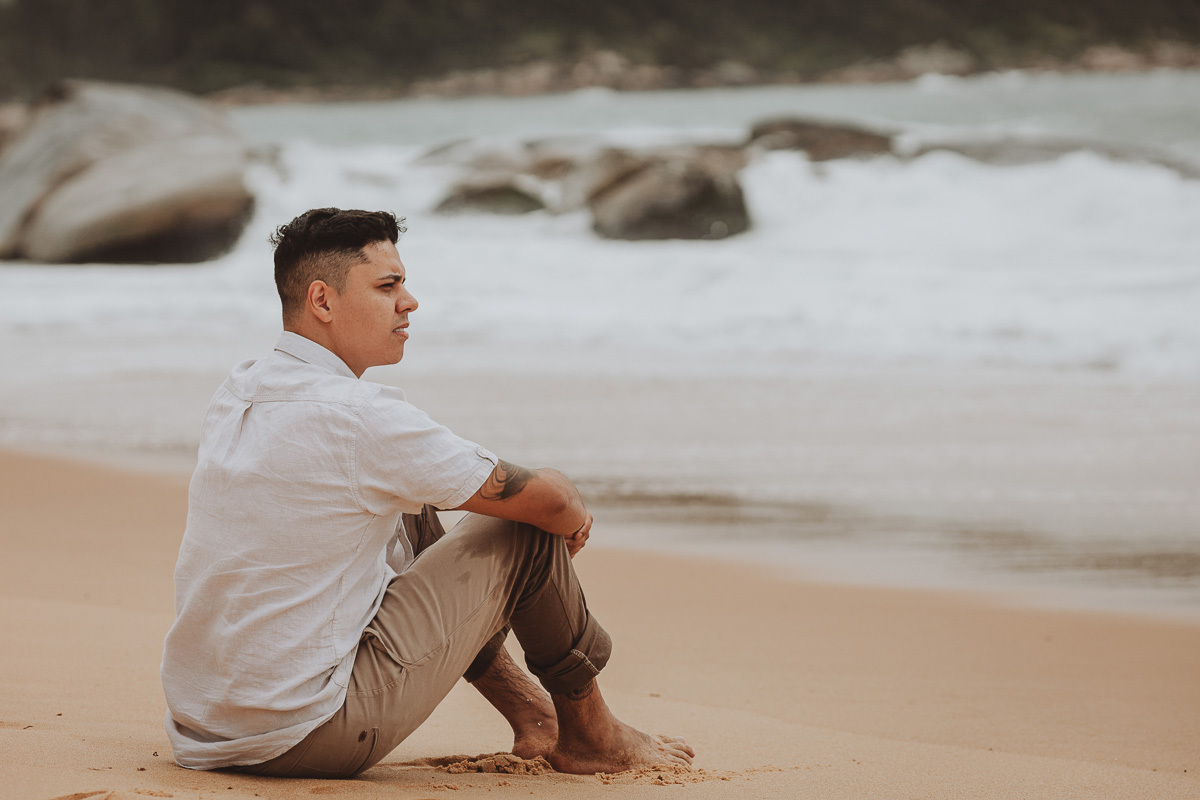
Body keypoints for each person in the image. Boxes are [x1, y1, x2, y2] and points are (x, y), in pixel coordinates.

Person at [160, 207, 693, 778]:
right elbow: (553, 504)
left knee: (416, 509)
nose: (409, 302)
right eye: (388, 286)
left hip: (204, 726)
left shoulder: (240, 388)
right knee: (522, 525)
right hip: (309, 734)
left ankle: (534, 714)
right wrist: (566, 515)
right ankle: (590, 734)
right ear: (322, 301)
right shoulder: (361, 418)